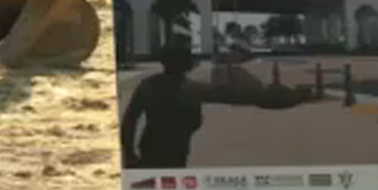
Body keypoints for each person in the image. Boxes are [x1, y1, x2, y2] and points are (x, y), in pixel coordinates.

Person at [120, 40, 309, 169]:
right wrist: (292, 96)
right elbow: (245, 97)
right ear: (184, 63)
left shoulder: (148, 85)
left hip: (151, 148)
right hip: (172, 152)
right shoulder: (190, 88)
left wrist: (128, 153)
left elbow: (130, 119)